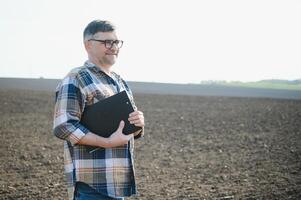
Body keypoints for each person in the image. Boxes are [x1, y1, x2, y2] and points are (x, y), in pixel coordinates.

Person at [53, 20, 145, 200]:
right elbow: (64, 126)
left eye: (116, 42)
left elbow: (126, 129)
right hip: (92, 186)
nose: (113, 47)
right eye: (106, 42)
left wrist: (138, 123)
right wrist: (107, 142)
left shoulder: (120, 81)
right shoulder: (76, 78)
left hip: (118, 184)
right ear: (88, 45)